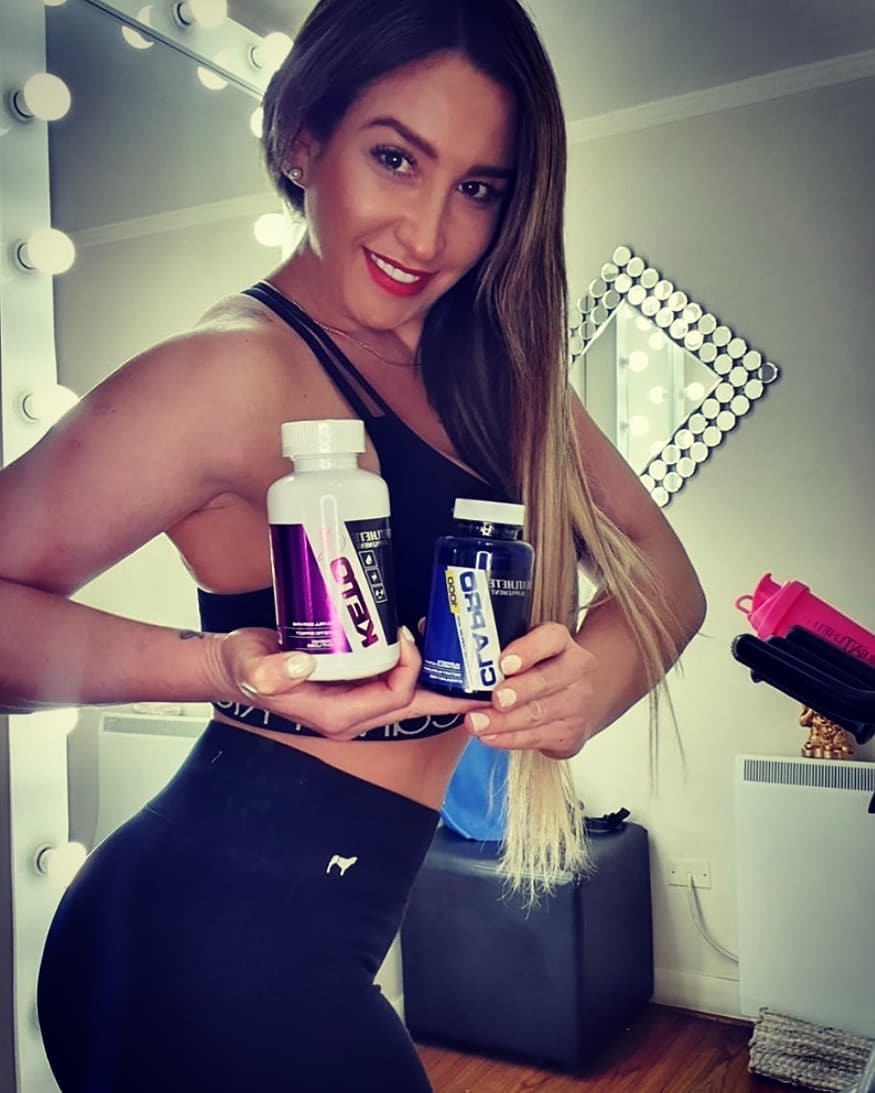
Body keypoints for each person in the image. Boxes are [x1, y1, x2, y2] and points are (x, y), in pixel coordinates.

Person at [0, 0, 706, 1088]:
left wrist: (592, 681)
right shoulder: (228, 373)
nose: (427, 234)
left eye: (478, 187)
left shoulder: (499, 379)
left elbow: (665, 576)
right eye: (395, 158)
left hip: (323, 939)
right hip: (188, 957)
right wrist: (218, 668)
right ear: (302, 137)